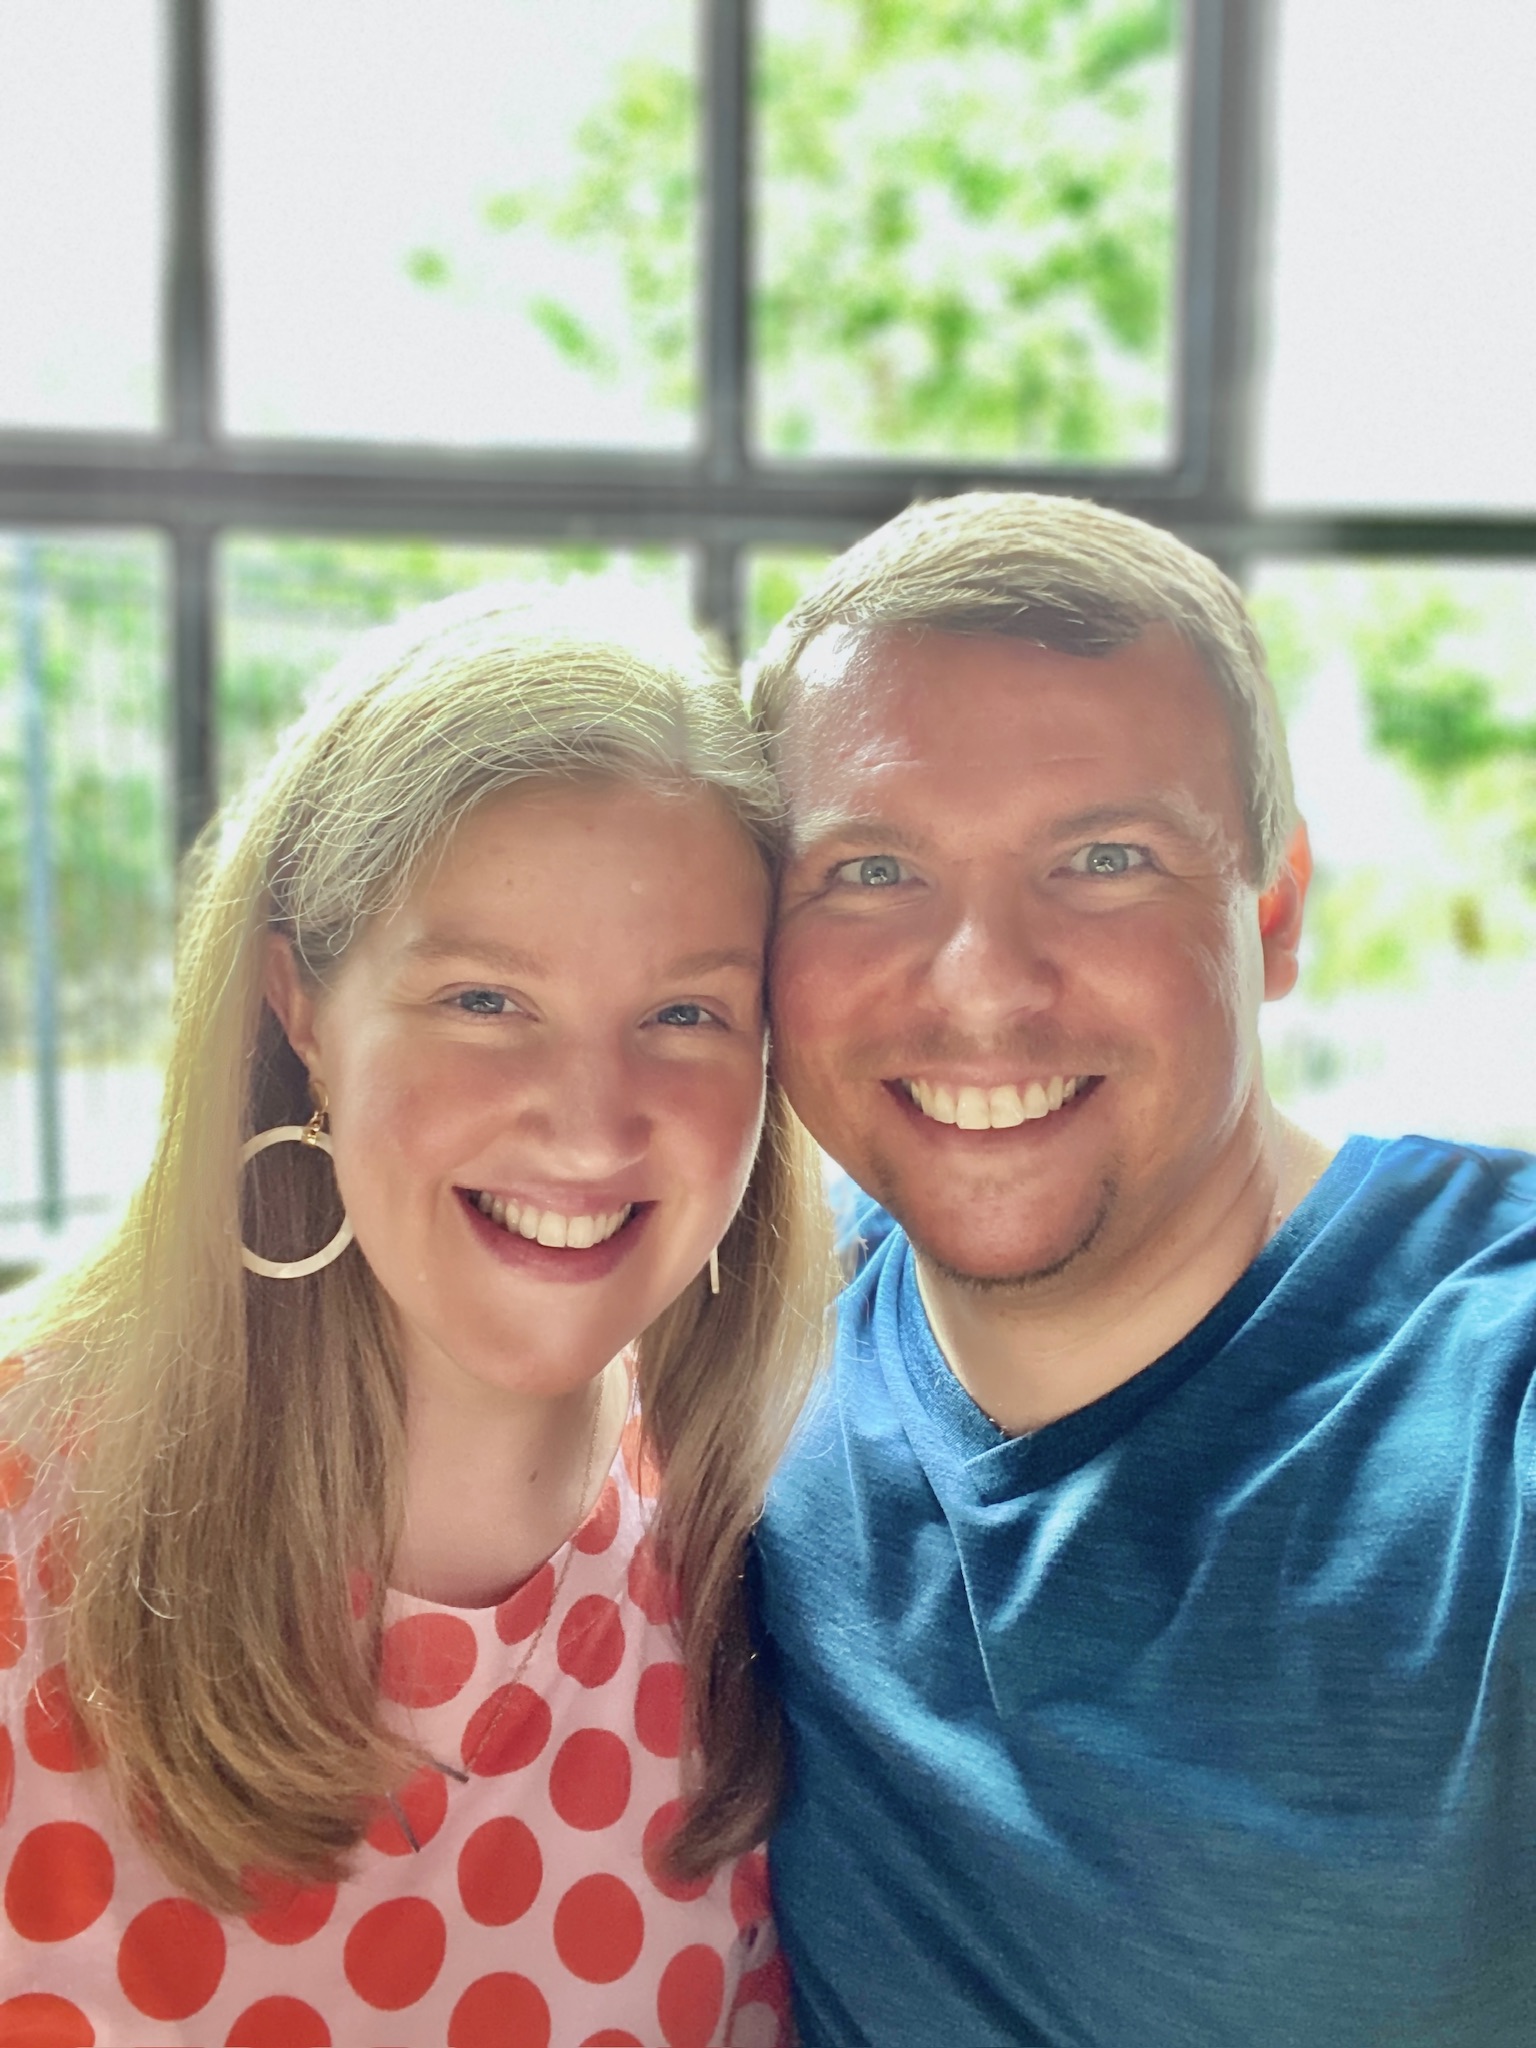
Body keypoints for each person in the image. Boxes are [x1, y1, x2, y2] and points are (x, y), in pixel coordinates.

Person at [748, 492, 1536, 2046]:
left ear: (1277, 910)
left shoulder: (1490, 1398)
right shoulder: (734, 1332)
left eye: (1104, 858)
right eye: (873, 871)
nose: (982, 986)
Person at [0, 590, 830, 2044]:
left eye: (687, 1015)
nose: (589, 1127)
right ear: (301, 1009)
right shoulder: (23, 1521)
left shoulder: (769, 1553)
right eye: (484, 999)